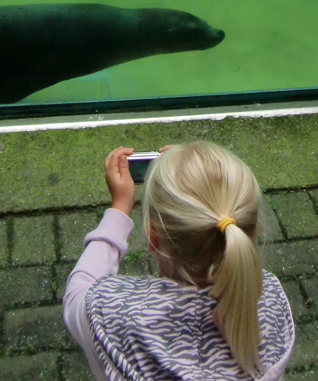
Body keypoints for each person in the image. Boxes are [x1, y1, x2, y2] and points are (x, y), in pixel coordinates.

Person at [63, 141, 295, 381]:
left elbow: (77, 293)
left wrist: (120, 209)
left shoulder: (113, 313)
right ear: (253, 234)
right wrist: (196, 170)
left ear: (153, 239)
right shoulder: (268, 300)